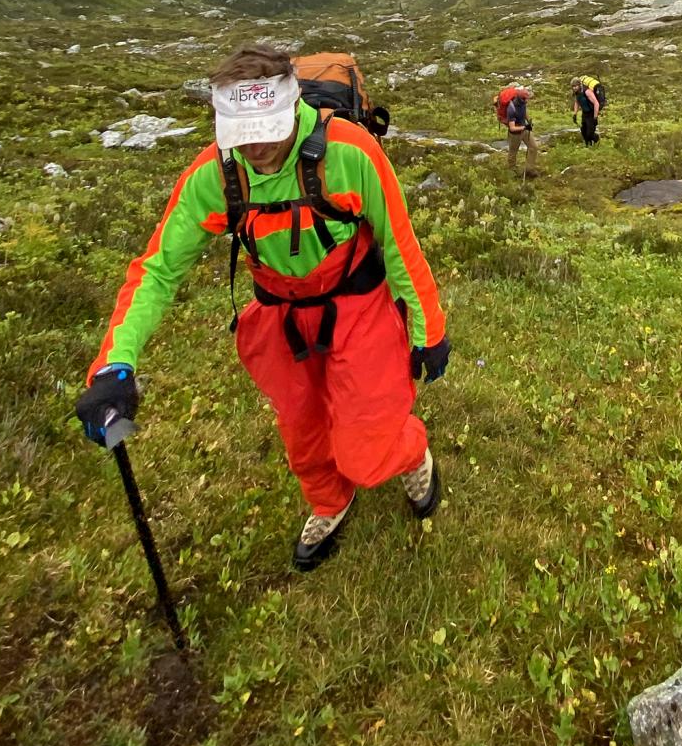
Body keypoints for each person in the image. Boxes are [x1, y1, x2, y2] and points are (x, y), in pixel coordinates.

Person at [75, 45, 450, 572]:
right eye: (242, 135)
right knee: (302, 426)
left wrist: (429, 331)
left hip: (359, 307)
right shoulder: (215, 175)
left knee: (366, 445)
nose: (256, 147)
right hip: (279, 319)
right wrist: (115, 364)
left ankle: (411, 452)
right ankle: (329, 502)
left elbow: (400, 244)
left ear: (292, 107)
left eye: (269, 129)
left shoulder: (351, 151)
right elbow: (156, 271)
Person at [503, 86, 539, 178]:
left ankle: (529, 169)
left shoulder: (523, 102)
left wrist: (529, 121)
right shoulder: (511, 109)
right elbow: (512, 128)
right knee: (513, 152)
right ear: (522, 99)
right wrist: (524, 127)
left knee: (533, 147)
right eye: (527, 99)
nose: (528, 100)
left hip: (525, 130)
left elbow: (524, 111)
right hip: (515, 134)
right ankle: (512, 171)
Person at [571, 75, 603, 146]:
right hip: (585, 113)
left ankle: (597, 139)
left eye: (576, 86)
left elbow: (596, 103)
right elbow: (577, 102)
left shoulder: (587, 92)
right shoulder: (576, 93)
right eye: (573, 86)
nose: (574, 88)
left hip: (591, 113)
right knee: (583, 131)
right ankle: (588, 146)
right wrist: (575, 114)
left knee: (590, 133)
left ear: (579, 85)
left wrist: (595, 117)